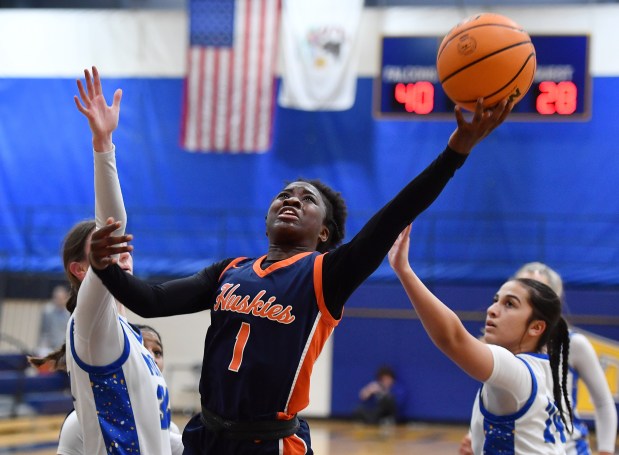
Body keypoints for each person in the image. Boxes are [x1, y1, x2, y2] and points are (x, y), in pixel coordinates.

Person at [86, 98, 512, 454]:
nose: (291, 200)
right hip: (206, 436)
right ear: (267, 218)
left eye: (306, 200)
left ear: (324, 232)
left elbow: (397, 212)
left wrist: (457, 149)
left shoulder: (326, 274)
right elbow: (152, 301)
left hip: (268, 444)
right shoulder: (230, 270)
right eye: (283, 195)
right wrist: (104, 268)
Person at [28, 67, 182, 454]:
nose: (121, 250)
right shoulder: (89, 319)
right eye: (103, 250)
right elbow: (113, 223)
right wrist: (104, 144)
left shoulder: (130, 335)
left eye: (123, 248)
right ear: (81, 270)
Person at [389, 225, 573, 454]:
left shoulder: (517, 371)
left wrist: (404, 270)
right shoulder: (547, 369)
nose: (492, 310)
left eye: (510, 304)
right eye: (496, 300)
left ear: (536, 327)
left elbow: (452, 338)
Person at [57, 324, 183, 454]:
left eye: (157, 352)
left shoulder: (170, 429)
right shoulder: (80, 421)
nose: (151, 357)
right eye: (143, 348)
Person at [37, 285, 71, 356]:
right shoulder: (47, 311)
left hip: (65, 347)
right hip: (50, 347)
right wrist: (43, 346)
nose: (59, 300)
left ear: (66, 298)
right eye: (57, 298)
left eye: (61, 298)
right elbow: (44, 332)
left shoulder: (70, 313)